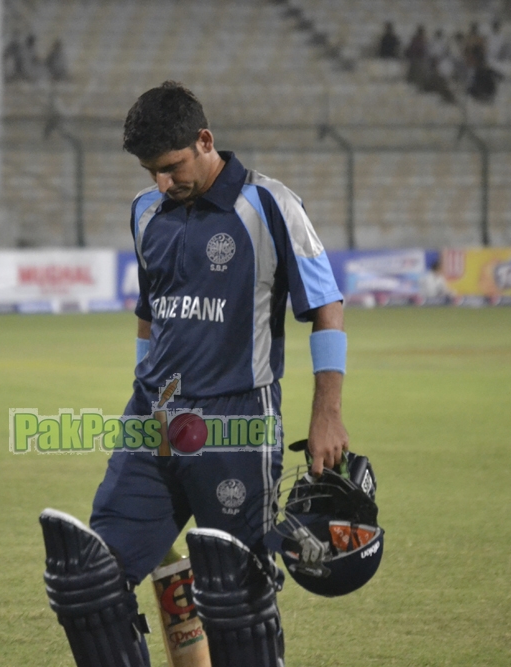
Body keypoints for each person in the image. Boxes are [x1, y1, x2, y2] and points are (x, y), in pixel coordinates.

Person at [40, 81, 349, 666]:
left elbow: (326, 308)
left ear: (205, 140)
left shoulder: (271, 205)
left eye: (171, 166)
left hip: (237, 424)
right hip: (151, 426)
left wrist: (327, 413)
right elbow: (148, 315)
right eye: (151, 170)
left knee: (236, 599)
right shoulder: (144, 211)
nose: (162, 182)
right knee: (90, 583)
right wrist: (144, 395)